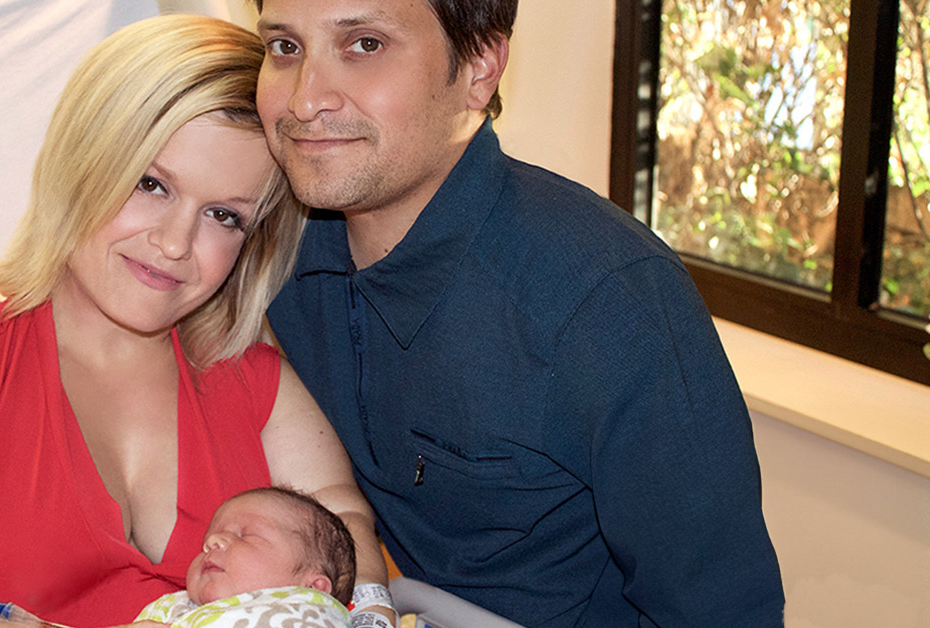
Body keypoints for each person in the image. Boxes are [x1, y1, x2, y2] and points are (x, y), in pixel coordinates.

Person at [0, 14, 390, 628]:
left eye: (224, 216)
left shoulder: (259, 386)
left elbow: (342, 522)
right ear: (83, 164)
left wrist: (370, 613)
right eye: (151, 184)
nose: (175, 243)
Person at [252, 1, 786, 626]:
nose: (305, 100)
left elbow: (721, 611)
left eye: (365, 44)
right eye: (285, 48)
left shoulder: (608, 301)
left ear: (480, 65)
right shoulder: (267, 248)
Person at [133, 487, 355, 628]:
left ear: (313, 588)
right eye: (207, 540)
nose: (212, 541)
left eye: (247, 536)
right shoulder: (169, 610)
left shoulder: (307, 613)